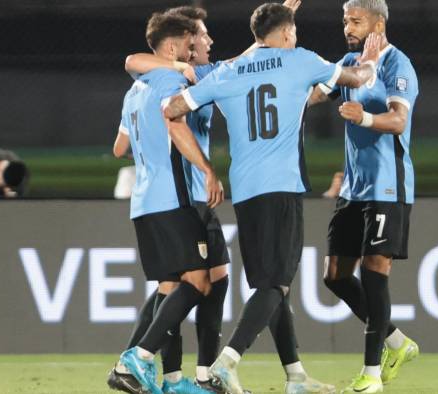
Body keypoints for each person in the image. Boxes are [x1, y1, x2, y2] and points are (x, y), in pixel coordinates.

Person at [163, 3, 381, 393]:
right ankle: (227, 362)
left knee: (269, 286)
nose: (294, 37)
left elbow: (173, 107)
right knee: (276, 285)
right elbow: (357, 77)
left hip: (245, 193)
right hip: (281, 187)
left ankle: (295, 376)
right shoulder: (299, 60)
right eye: (293, 31)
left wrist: (200, 159)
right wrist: (371, 58)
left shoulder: (229, 71)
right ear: (285, 34)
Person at [109, 5, 240, 394]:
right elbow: (174, 121)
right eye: (196, 37)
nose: (205, 42)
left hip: (147, 199)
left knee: (181, 285)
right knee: (197, 281)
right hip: (178, 197)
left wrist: (150, 148)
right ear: (174, 47)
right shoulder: (169, 82)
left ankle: (174, 379)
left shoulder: (136, 90)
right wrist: (205, 168)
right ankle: (137, 358)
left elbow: (120, 147)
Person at [307, 0, 420, 392]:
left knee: (375, 275)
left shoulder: (397, 65)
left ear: (378, 23)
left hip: (389, 185)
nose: (347, 27)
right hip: (353, 189)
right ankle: (395, 341)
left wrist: (366, 118)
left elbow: (399, 120)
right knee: (335, 276)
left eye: (355, 20)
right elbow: (315, 95)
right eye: (344, 20)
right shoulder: (351, 63)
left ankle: (372, 374)